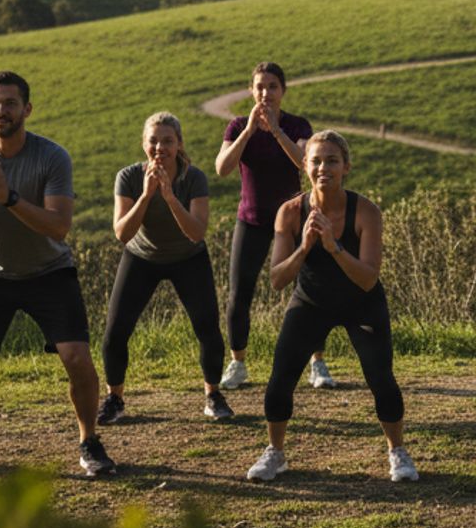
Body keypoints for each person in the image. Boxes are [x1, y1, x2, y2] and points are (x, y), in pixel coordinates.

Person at [0, 71, 115, 479]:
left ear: (27, 109)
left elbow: (58, 226)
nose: (1, 110)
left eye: (10, 103)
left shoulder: (51, 157)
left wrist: (8, 197)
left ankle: (89, 441)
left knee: (77, 357)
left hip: (49, 271)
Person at [244, 131, 416, 483]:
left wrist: (333, 246)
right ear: (305, 166)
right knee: (280, 380)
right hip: (311, 301)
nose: (324, 168)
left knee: (380, 378)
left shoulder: (366, 211)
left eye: (332, 160)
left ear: (346, 167)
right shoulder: (290, 213)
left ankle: (397, 451)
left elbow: (368, 279)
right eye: (316, 161)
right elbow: (277, 278)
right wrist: (305, 246)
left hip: (362, 302)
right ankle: (275, 453)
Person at [96, 112, 232, 426]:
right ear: (144, 144)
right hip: (141, 256)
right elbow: (122, 233)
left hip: (189, 257)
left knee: (207, 328)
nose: (160, 147)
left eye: (167, 141)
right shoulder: (128, 176)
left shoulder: (193, 177)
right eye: (153, 141)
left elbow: (197, 232)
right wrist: (147, 194)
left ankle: (213, 395)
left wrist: (170, 197)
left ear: (179, 144)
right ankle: (115, 399)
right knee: (115, 333)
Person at [214, 62, 327, 391]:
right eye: (260, 86)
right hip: (251, 219)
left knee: (308, 290)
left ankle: (317, 362)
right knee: (239, 293)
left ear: (283, 91)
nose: (266, 93)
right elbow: (222, 168)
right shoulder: (237, 126)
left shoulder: (296, 125)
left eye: (272, 86)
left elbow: (307, 165)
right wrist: (250, 130)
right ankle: (238, 363)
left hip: (293, 219)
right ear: (251, 90)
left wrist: (276, 130)